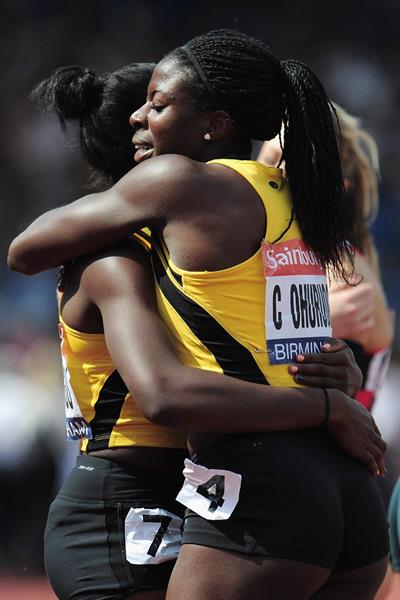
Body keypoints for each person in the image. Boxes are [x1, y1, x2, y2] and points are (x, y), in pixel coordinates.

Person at [8, 30, 389, 599]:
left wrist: (330, 395)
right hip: (332, 486)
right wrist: (336, 389)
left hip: (245, 478)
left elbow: (23, 251)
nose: (144, 117)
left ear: (212, 123)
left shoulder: (180, 193)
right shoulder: (290, 196)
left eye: (158, 106)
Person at [259, 103, 394, 413]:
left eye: (291, 167)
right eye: (269, 161)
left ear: (338, 187)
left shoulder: (343, 268)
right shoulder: (262, 246)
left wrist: (320, 324)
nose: (275, 176)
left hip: (329, 453)